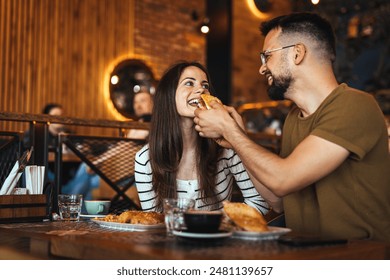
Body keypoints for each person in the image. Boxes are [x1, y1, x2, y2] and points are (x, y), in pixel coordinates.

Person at [194, 13, 390, 242]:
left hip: (358, 261)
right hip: (308, 257)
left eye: (266, 56)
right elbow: (277, 198)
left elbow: (283, 179)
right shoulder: (294, 118)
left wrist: (232, 132)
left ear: (297, 53)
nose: (262, 68)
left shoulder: (355, 105)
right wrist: (236, 141)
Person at [135, 61, 281, 213]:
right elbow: (152, 221)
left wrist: (216, 223)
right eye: (189, 83)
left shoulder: (227, 147)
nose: (201, 90)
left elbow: (259, 203)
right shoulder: (145, 159)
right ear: (168, 95)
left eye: (205, 86)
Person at [24, 103, 100, 201]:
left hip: (71, 180)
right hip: (49, 179)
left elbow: (86, 150)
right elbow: (28, 152)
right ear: (46, 118)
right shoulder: (37, 134)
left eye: (61, 115)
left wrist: (72, 146)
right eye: (56, 115)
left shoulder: (69, 134)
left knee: (89, 167)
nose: (60, 118)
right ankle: (70, 204)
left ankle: (72, 203)